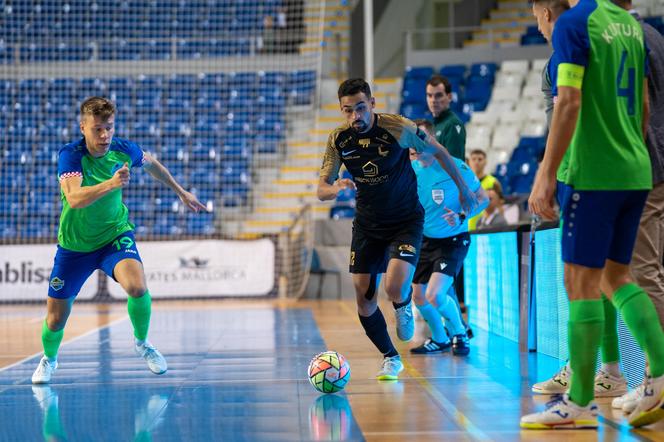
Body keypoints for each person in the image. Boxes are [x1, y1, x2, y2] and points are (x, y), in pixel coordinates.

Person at [524, 0, 664, 430]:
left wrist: (546, 174)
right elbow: (642, 103)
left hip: (593, 173)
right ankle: (657, 378)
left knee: (581, 284)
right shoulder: (631, 26)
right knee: (617, 278)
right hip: (636, 168)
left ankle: (580, 402)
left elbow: (568, 102)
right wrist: (631, 154)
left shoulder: (574, 23)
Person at [31, 97, 207, 384]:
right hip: (75, 246)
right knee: (55, 320)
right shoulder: (70, 156)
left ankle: (143, 344)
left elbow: (151, 164)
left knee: (137, 286)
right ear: (83, 128)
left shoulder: (124, 149)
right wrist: (111, 184)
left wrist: (181, 191)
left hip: (114, 235)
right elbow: (74, 199)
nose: (104, 136)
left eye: (109, 128)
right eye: (98, 129)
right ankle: (49, 359)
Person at [317, 78, 477, 380]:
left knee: (393, 287)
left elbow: (441, 152)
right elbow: (321, 189)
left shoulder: (398, 127)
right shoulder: (338, 139)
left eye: (361, 108)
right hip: (367, 225)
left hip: (405, 220)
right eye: (348, 111)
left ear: (372, 104)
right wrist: (335, 187)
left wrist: (464, 191)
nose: (356, 117)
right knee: (363, 298)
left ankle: (402, 305)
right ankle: (391, 357)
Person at [529, 0, 629, 401]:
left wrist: (548, 174)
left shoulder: (567, 47)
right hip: (619, 168)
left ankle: (594, 375)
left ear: (548, 13)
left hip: (582, 171)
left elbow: (568, 111)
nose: (536, 25)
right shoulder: (623, 37)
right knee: (604, 277)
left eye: (537, 16)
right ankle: (603, 369)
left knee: (588, 279)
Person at [610, 0, 664, 414]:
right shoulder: (653, 36)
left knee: (643, 273)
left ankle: (656, 380)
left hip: (645, 168)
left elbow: (640, 112)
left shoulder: (627, 38)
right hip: (652, 164)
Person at [408, 120, 488, 356]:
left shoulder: (456, 167)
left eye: (421, 139)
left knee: (435, 294)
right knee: (419, 295)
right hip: (425, 240)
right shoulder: (410, 170)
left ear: (434, 142)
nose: (415, 145)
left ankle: (460, 333)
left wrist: (463, 215)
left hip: (453, 239)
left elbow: (483, 198)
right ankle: (440, 338)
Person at [425, 75, 466, 161]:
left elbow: (454, 165)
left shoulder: (453, 124)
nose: (433, 100)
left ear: (449, 97)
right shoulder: (431, 124)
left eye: (438, 95)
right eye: (429, 95)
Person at [467, 149, 497, 230]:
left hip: (485, 227)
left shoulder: (493, 182)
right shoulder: (463, 182)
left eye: (480, 159)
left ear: (485, 162)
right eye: (473, 159)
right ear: (469, 162)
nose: (476, 162)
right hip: (465, 229)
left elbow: (500, 206)